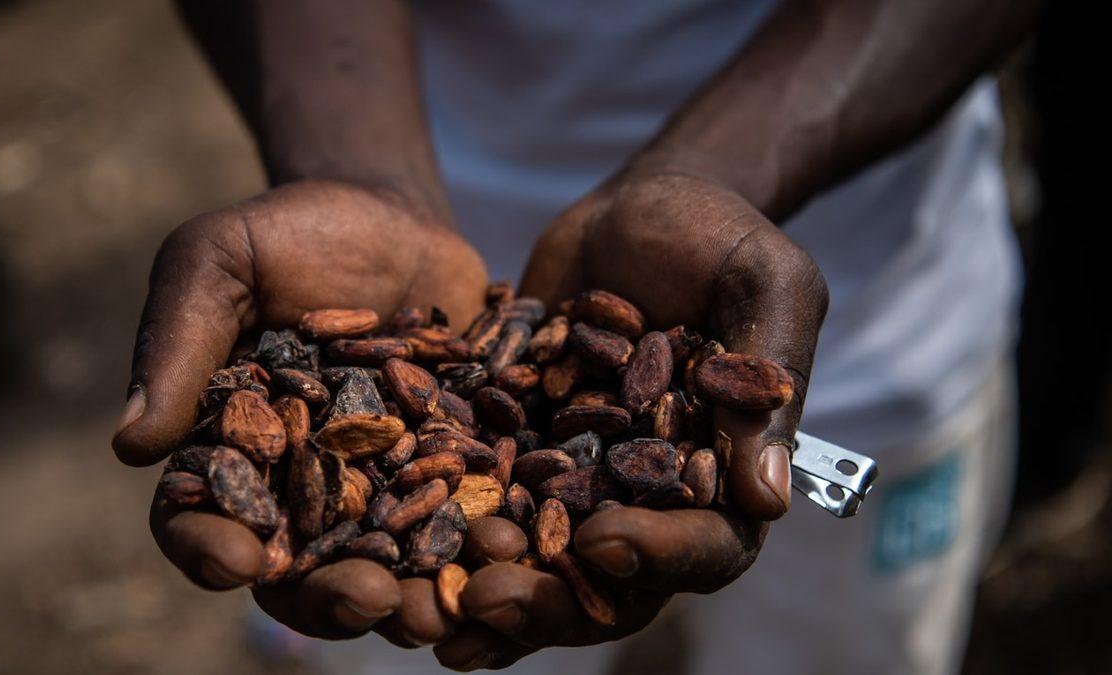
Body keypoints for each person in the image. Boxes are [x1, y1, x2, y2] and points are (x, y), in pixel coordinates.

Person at [111, 1, 1040, 672]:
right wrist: (351, 168)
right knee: (408, 607)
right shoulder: (427, 414)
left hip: (881, 316)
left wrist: (711, 172)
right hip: (413, 235)